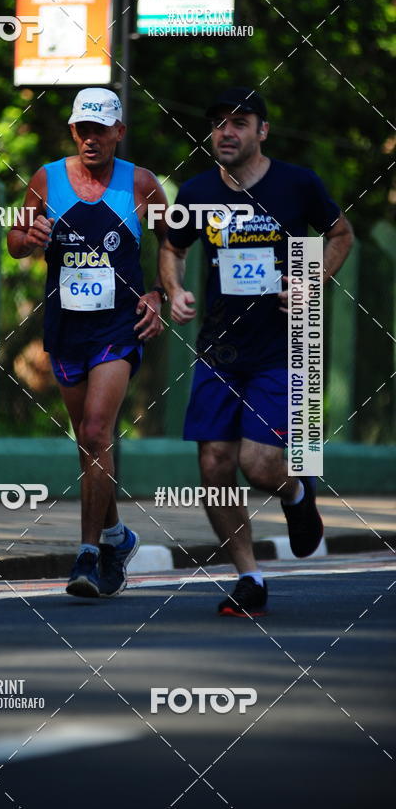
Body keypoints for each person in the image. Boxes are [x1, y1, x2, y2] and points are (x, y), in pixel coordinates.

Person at [159, 86, 354, 617]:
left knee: (260, 464)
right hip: (220, 350)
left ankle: (295, 493)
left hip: (283, 347)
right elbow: (172, 247)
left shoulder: (297, 184)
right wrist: (174, 289)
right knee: (215, 463)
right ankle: (249, 576)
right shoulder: (197, 192)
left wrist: (310, 279)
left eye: (239, 121)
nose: (226, 131)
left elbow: (340, 234)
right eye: (219, 121)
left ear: (262, 131)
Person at [7, 88, 168, 598]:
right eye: (83, 129)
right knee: (88, 442)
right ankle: (117, 537)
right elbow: (14, 240)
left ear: (119, 131)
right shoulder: (47, 179)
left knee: (99, 430)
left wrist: (160, 292)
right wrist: (27, 240)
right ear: (73, 131)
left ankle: (87, 554)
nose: (91, 138)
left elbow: (172, 242)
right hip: (65, 328)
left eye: (101, 129)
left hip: (118, 329)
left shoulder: (141, 184)